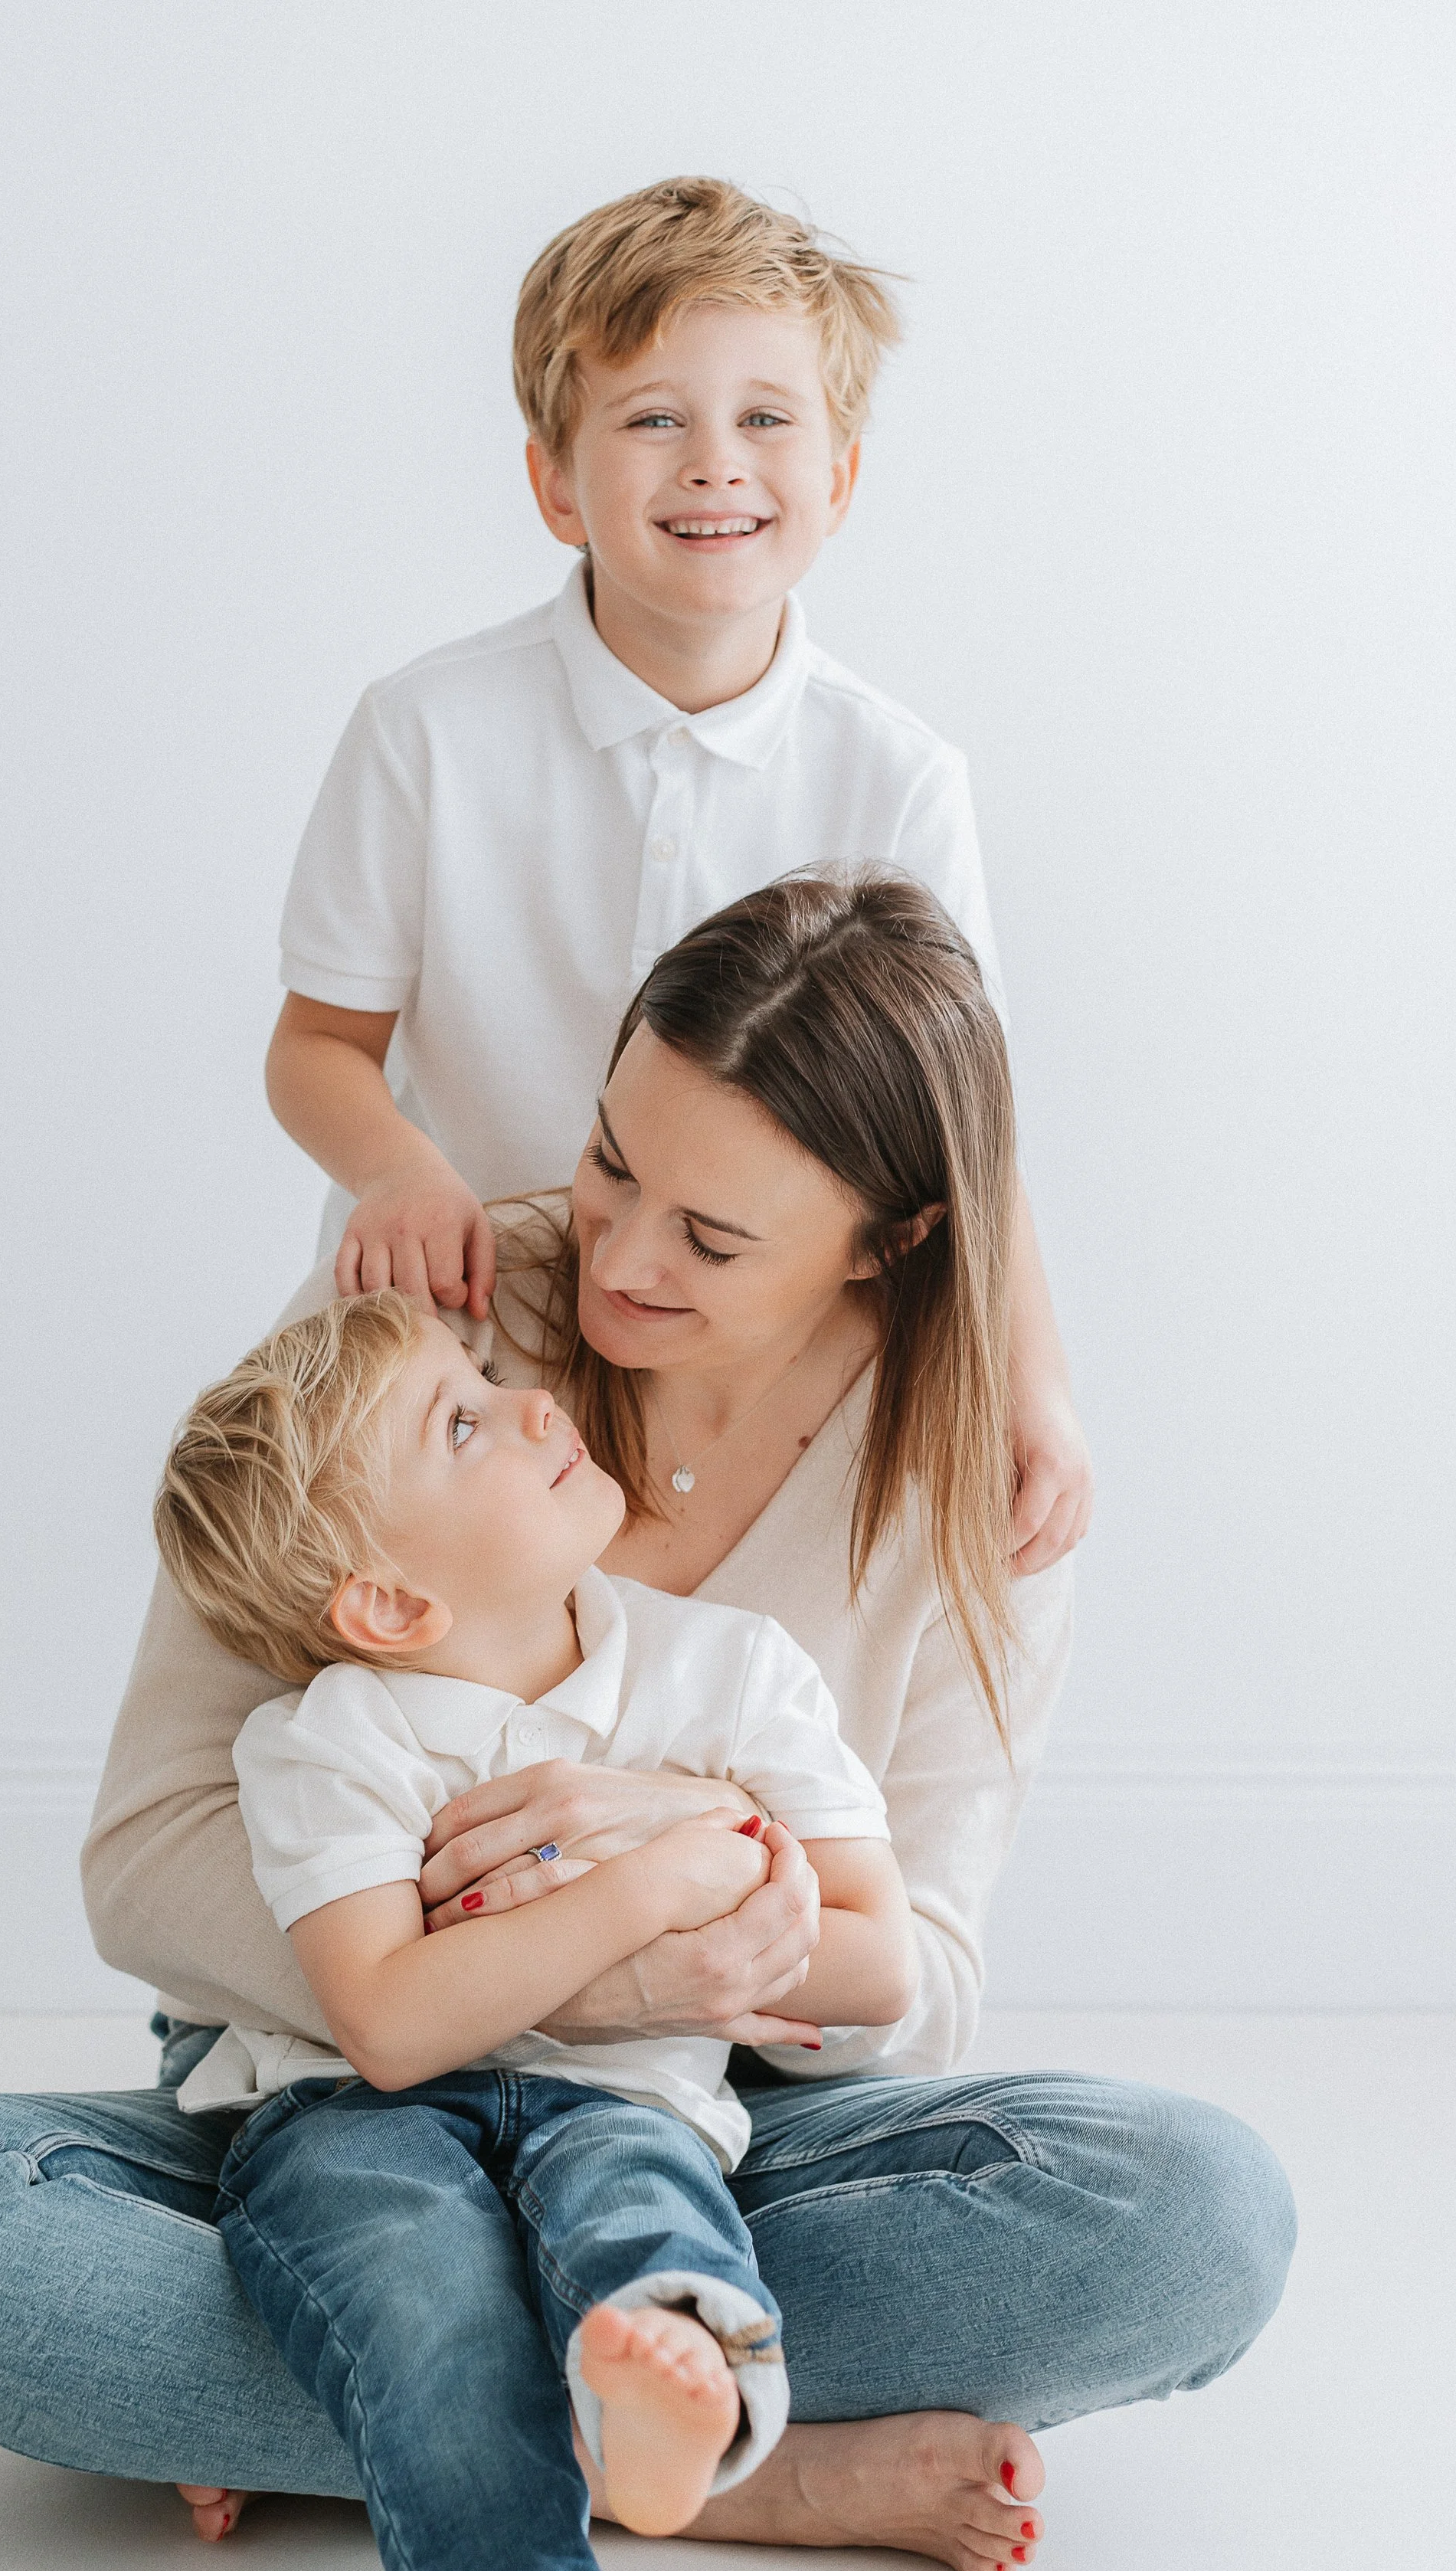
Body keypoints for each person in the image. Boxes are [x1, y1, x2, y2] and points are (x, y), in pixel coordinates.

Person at [0, 875, 1294, 2571]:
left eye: (713, 1235)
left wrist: (683, 1890)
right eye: (606, 1159)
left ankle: (444, 2426)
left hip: (702, 2112)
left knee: (1194, 2215)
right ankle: (743, 2460)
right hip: (323, 2073)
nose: (616, 1259)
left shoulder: (973, 1475)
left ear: (886, 1241)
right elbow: (149, 1856)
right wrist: (563, 1952)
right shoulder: (429, 1336)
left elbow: (916, 1979)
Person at [155, 1284, 916, 2571]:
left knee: (640, 2190)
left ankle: (662, 2397)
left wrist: (694, 1835)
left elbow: (878, 1971)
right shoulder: (330, 1738)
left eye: (485, 1378)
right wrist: (654, 1881)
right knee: (414, 2285)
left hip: (624, 2093)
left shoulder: (727, 1673)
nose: (528, 1404)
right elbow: (387, 2024)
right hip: (353, 2119)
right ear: (386, 1605)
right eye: (458, 1421)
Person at [262, 172, 1093, 1576]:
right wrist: (402, 1175)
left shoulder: (897, 775)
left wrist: (1036, 1384)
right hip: (464, 1334)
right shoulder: (427, 730)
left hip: (756, 1353)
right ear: (554, 481)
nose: (715, 463)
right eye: (654, 420)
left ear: (838, 474)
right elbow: (316, 1046)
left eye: (766, 419)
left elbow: (966, 1136)